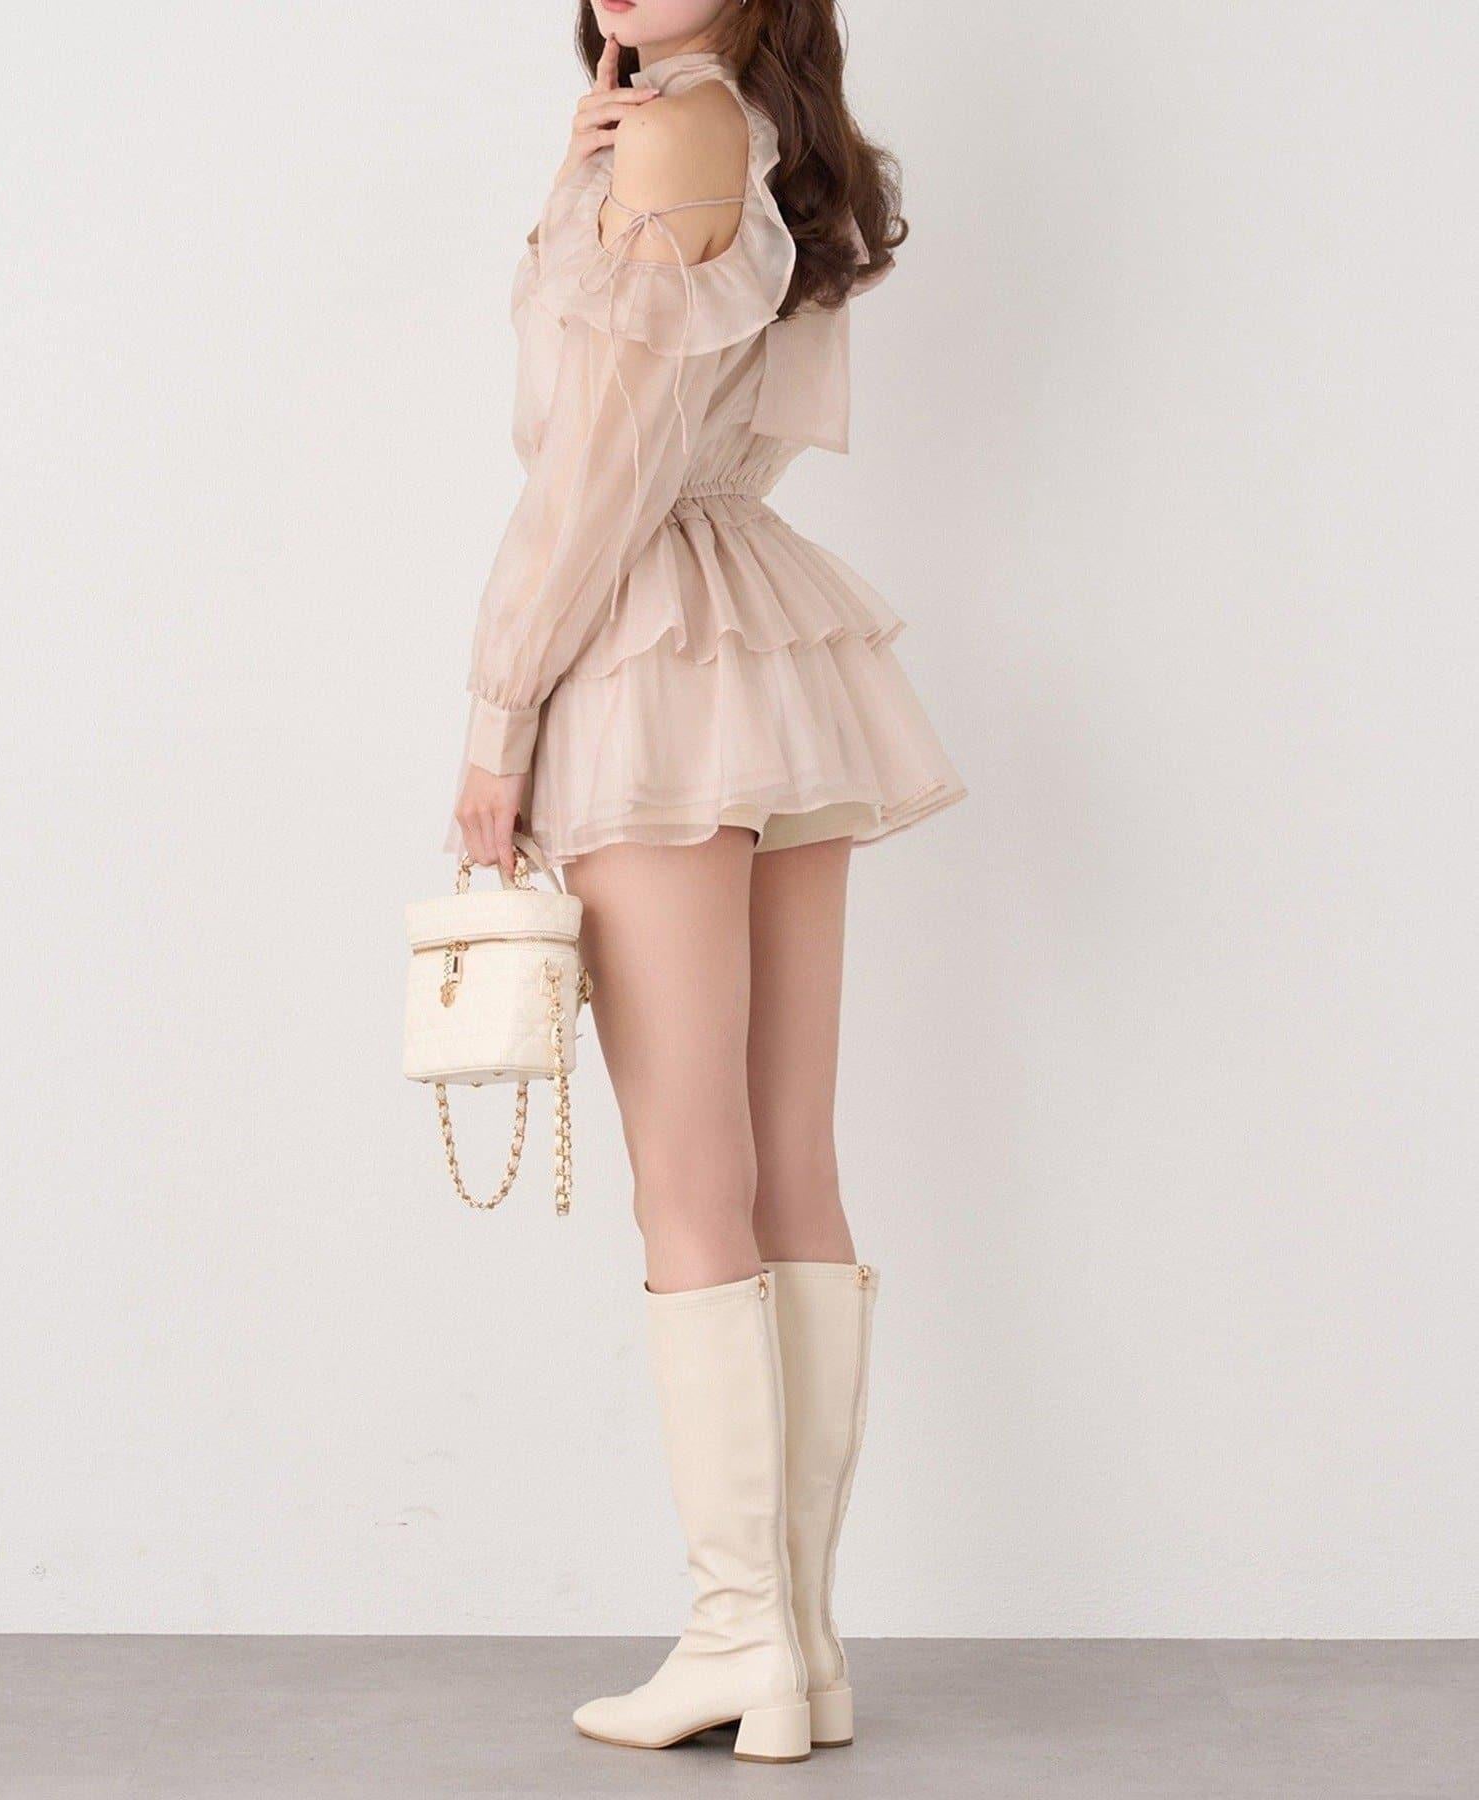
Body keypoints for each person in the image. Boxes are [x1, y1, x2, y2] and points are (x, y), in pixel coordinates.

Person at [450, 0, 964, 1764]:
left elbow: (596, 464)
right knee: (787, 1160)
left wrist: (499, 715)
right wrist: (566, 194)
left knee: (690, 1173)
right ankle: (797, 1648)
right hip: (769, 636)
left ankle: (739, 1636)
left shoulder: (675, 134)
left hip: (645, 653)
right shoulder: (744, 129)